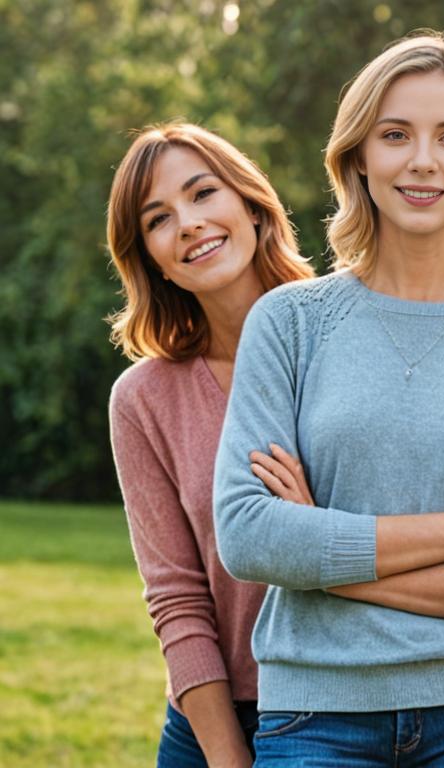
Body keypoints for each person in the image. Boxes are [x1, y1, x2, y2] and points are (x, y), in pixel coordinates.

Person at [212, 32, 444, 767]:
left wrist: (325, 554)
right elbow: (251, 536)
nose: (423, 160)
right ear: (359, 155)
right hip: (317, 710)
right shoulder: (289, 323)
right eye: (396, 135)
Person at [106, 122, 315, 767]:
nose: (190, 224)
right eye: (159, 219)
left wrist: (308, 533)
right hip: (212, 719)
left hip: (338, 703)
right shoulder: (142, 399)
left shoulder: (344, 339)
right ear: (149, 258)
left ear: (251, 204)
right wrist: (227, 756)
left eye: (203, 194)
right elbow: (176, 596)